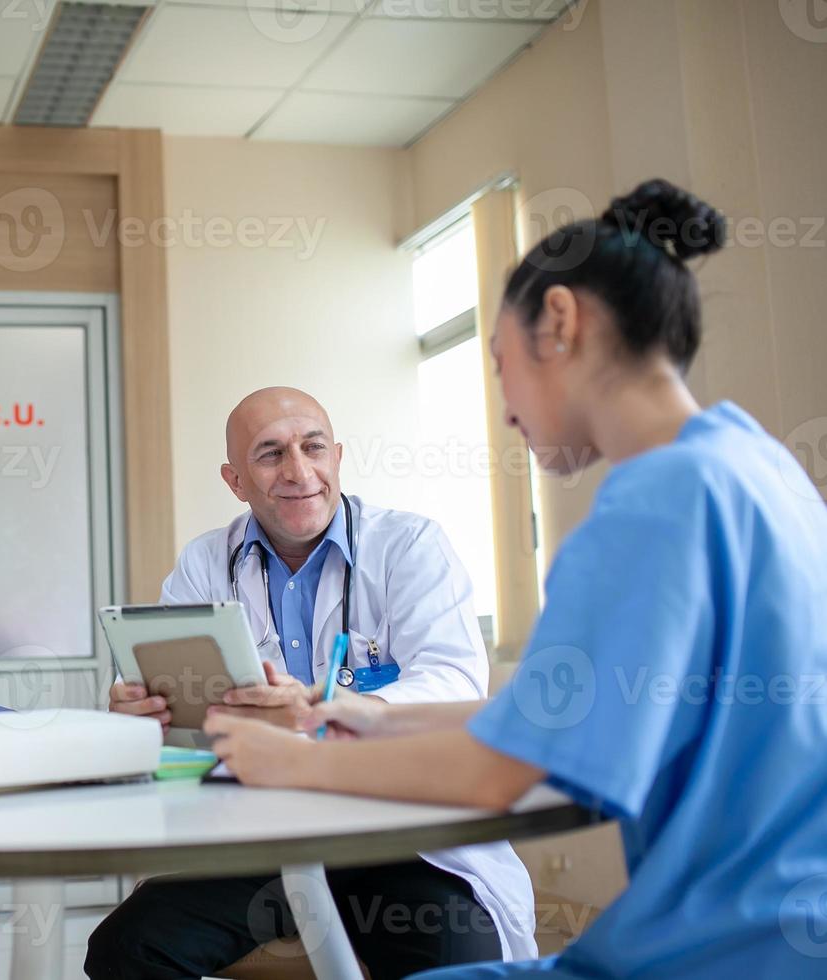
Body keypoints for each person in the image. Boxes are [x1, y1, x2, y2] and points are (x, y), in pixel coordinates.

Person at [204, 180, 827, 977]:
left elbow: (502, 770)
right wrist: (374, 716)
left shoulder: (654, 503)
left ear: (561, 322)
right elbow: (570, 705)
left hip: (715, 952)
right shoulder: (753, 463)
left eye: (500, 364)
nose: (505, 411)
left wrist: (297, 762)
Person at [86, 387, 536, 979]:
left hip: (404, 840)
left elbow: (453, 681)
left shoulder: (409, 547)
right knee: (127, 948)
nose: (299, 472)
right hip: (268, 840)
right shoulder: (204, 565)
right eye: (270, 454)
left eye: (313, 447)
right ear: (235, 481)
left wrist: (325, 709)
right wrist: (141, 712)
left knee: (451, 964)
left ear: (338, 456)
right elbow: (172, 705)